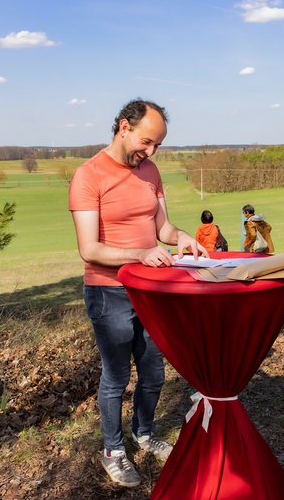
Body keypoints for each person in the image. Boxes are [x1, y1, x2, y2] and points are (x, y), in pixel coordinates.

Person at [68, 99, 207, 487]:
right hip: (109, 292)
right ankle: (113, 450)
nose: (150, 152)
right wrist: (140, 255)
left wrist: (182, 238)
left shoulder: (150, 171)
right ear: (124, 127)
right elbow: (89, 249)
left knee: (153, 372)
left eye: (158, 145)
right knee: (115, 378)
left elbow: (163, 229)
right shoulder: (88, 175)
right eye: (147, 142)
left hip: (152, 292)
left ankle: (143, 433)